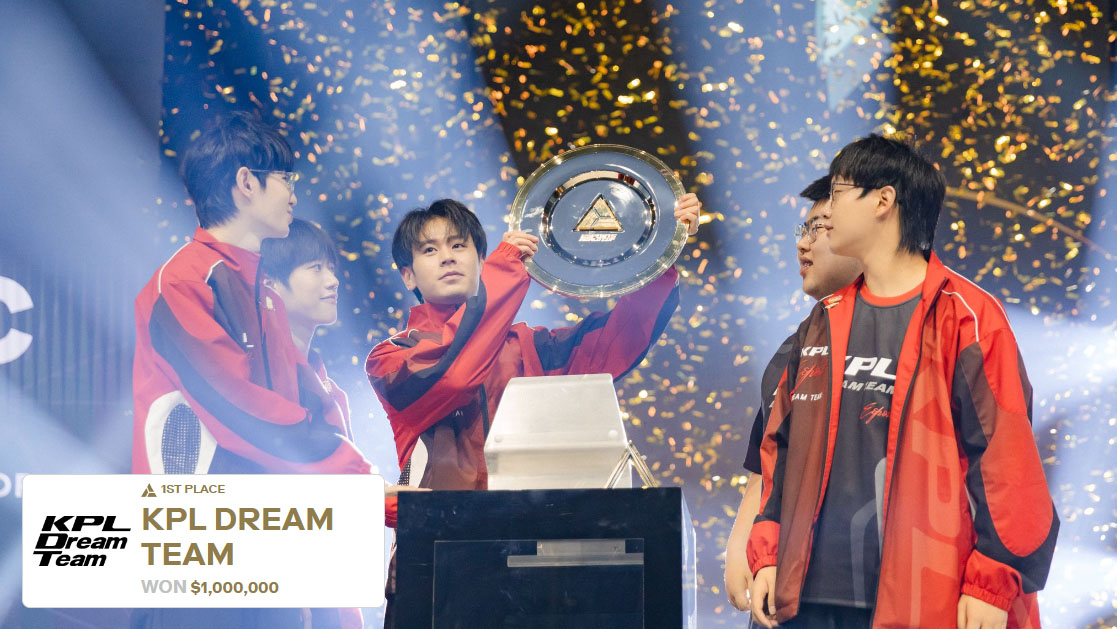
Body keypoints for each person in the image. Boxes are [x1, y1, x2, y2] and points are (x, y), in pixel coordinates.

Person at [747, 135, 1058, 628]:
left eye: (839, 192)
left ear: (883, 201)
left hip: (923, 596)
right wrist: (767, 551)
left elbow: (1007, 458)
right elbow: (779, 449)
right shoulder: (821, 320)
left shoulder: (967, 317)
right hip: (807, 597)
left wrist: (990, 583)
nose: (828, 211)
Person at [366, 194, 701, 624]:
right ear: (408, 275)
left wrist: (660, 252)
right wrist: (506, 271)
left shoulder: (532, 346)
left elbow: (618, 339)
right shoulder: (392, 357)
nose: (447, 257)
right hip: (434, 559)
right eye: (429, 250)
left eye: (458, 245)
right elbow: (454, 373)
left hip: (529, 562)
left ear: (480, 260)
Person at [131, 112, 371, 629]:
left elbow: (302, 406)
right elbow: (239, 411)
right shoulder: (184, 281)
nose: (293, 194)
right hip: (195, 556)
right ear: (246, 183)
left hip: (265, 552)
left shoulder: (265, 296)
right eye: (285, 179)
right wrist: (358, 477)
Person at [723, 175, 863, 615]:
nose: (803, 245)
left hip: (856, 583)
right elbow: (766, 463)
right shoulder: (794, 348)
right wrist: (740, 545)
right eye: (804, 229)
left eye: (820, 228)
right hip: (783, 577)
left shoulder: (903, 335)